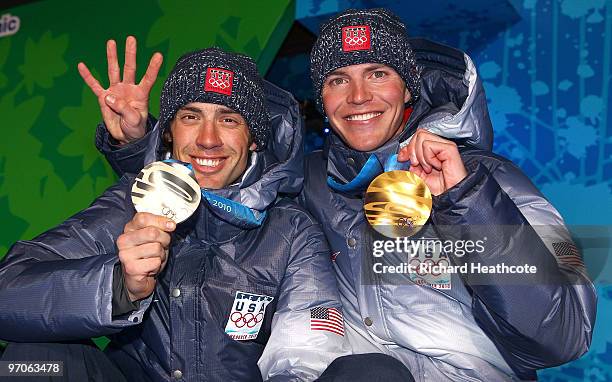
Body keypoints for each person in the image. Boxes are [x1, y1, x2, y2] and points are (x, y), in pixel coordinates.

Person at [89, 9, 596, 381]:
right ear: (323, 100)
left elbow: (564, 333)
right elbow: (215, 193)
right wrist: (138, 146)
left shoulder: (493, 178)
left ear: (408, 90)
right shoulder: (305, 181)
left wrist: (466, 199)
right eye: (338, 79)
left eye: (378, 74)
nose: (358, 97)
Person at [0, 46, 352, 381]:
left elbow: (306, 344)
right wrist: (119, 286)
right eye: (190, 117)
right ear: (168, 132)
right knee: (36, 362)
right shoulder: (133, 202)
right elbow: (9, 289)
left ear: (254, 138)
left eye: (229, 119)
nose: (208, 139)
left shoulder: (290, 229)